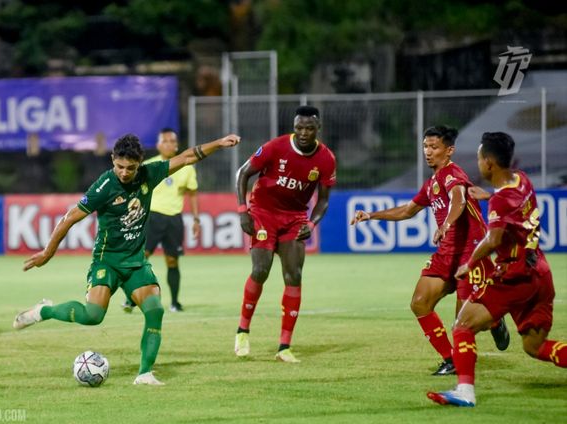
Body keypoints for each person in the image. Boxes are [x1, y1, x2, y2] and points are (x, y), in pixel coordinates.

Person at [14, 133, 240, 385]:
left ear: (140, 163)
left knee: (155, 310)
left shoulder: (149, 174)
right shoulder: (104, 186)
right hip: (107, 261)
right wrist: (48, 252)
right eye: (119, 167)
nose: (124, 172)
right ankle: (44, 310)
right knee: (93, 316)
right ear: (113, 161)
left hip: (135, 263)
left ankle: (144, 373)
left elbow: (187, 157)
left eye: (130, 168)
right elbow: (70, 217)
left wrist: (218, 143)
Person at [351, 126, 508, 375]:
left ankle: (495, 318)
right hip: (447, 254)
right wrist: (371, 215)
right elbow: (407, 211)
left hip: (470, 254)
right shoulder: (432, 183)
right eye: (425, 146)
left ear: (449, 151)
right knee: (419, 302)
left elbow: (459, 199)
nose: (428, 151)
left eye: (434, 147)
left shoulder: (451, 174)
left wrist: (446, 223)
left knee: (462, 325)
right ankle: (451, 360)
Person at [428, 132, 566, 407]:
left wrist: (469, 263)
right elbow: (510, 206)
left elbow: (493, 240)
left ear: (489, 163)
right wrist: (490, 195)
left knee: (462, 324)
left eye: (479, 157)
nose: (477, 162)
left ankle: (465, 391)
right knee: (534, 347)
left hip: (514, 276)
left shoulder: (500, 201)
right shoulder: (521, 181)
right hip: (540, 272)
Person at [234, 105, 336, 363]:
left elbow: (323, 200)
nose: (303, 133)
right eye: (299, 127)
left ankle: (284, 347)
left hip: (295, 219)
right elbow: (243, 173)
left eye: (309, 128)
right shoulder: (275, 147)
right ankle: (243, 331)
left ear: (318, 128)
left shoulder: (326, 159)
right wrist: (242, 210)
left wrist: (312, 224)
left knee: (294, 275)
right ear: (294, 127)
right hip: (263, 212)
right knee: (261, 270)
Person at [122, 128, 200, 313]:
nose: (169, 144)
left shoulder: (186, 167)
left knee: (172, 261)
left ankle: (175, 302)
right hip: (152, 218)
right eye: (165, 141)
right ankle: (130, 299)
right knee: (141, 258)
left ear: (177, 145)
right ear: (158, 145)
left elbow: (193, 194)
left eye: (172, 141)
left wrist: (196, 219)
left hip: (174, 219)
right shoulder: (148, 165)